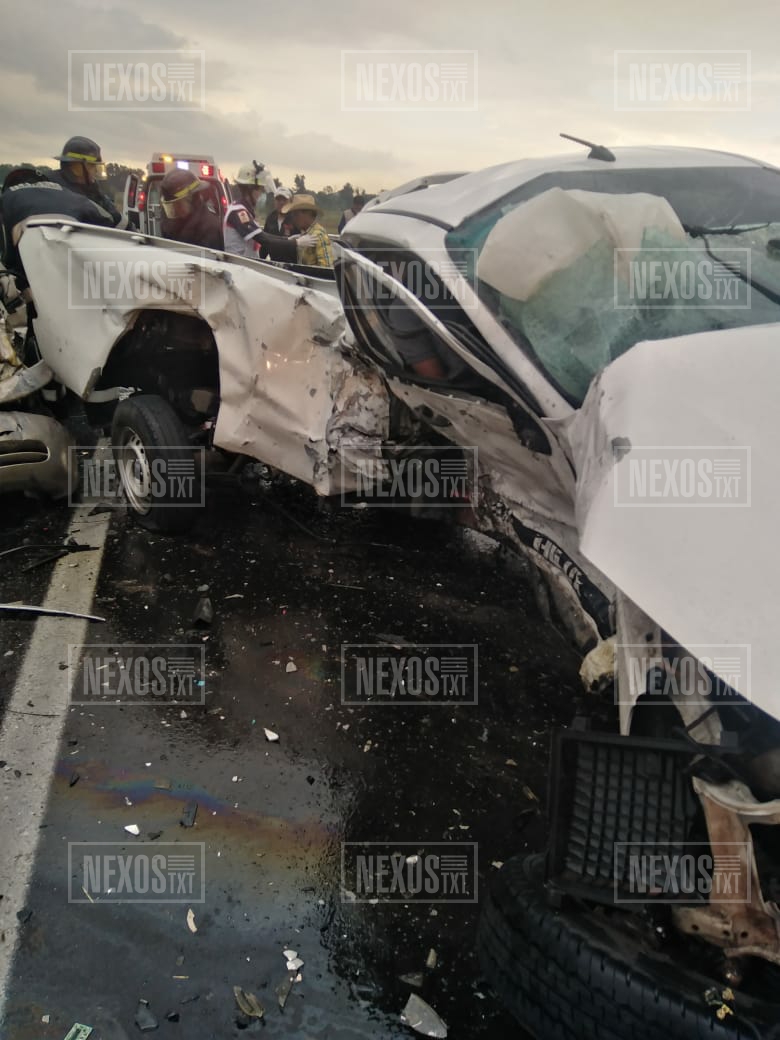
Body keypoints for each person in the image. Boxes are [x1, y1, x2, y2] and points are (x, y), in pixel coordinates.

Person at [0, 166, 114, 292]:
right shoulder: (73, 195)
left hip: (30, 281)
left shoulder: (6, 199)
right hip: (76, 277)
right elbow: (111, 221)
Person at [223, 163, 298, 263]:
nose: (261, 194)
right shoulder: (238, 212)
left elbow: (263, 236)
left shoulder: (245, 211)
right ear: (250, 189)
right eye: (260, 190)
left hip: (243, 266)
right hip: (237, 266)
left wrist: (289, 240)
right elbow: (264, 239)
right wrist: (294, 242)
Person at [49, 136, 128, 228]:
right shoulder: (51, 187)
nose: (96, 171)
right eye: (92, 165)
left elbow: (118, 220)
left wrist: (135, 233)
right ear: (77, 167)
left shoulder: (93, 191)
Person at [159, 169, 223, 250]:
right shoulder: (169, 221)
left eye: (177, 205)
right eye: (171, 206)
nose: (174, 210)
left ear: (192, 199)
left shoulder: (210, 228)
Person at [282, 194, 333, 268]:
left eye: (296, 214)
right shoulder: (305, 233)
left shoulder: (318, 235)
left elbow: (326, 268)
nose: (293, 218)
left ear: (308, 213)